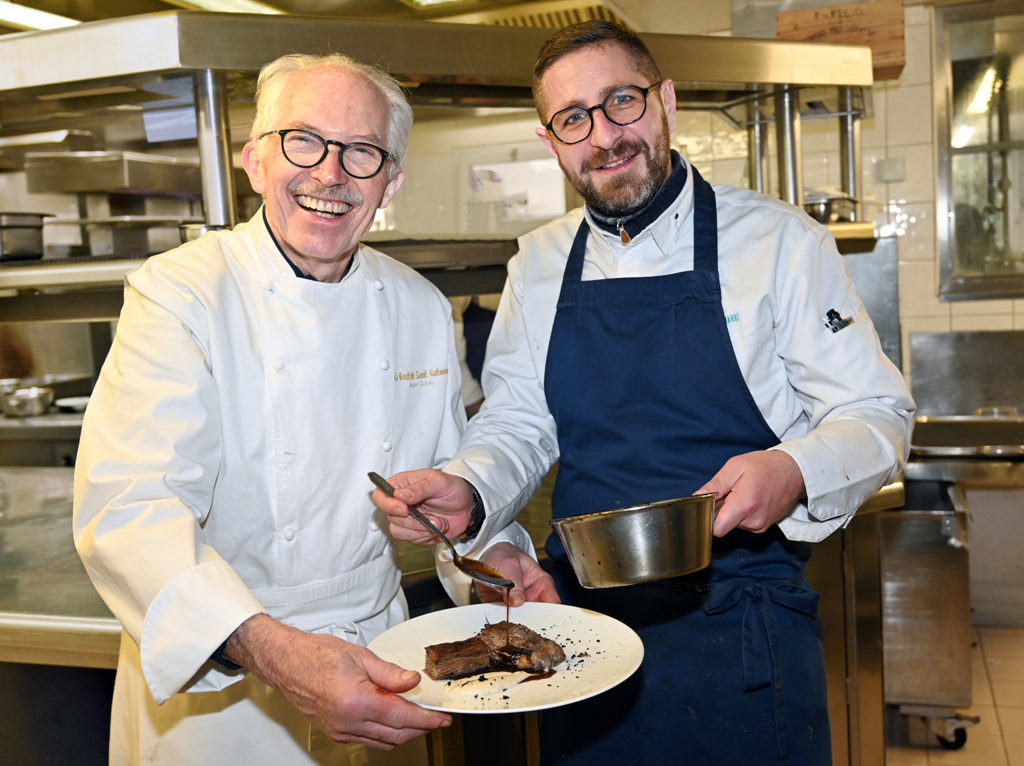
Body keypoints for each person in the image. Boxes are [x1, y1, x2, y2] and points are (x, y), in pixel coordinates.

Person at [371, 20, 915, 766]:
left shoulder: (780, 245)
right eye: (574, 118)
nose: (604, 135)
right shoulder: (539, 261)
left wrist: (792, 470)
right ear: (551, 139)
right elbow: (519, 421)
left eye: (621, 101)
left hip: (741, 625)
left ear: (664, 101)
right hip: (581, 639)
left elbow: (875, 413)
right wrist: (470, 488)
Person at [73, 51, 502, 766]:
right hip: (219, 682)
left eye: (362, 152)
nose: (330, 174)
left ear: (390, 181)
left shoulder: (420, 306)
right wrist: (271, 649)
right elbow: (130, 508)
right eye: (302, 140)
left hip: (379, 664)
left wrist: (492, 558)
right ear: (253, 161)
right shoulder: (179, 294)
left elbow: (442, 490)